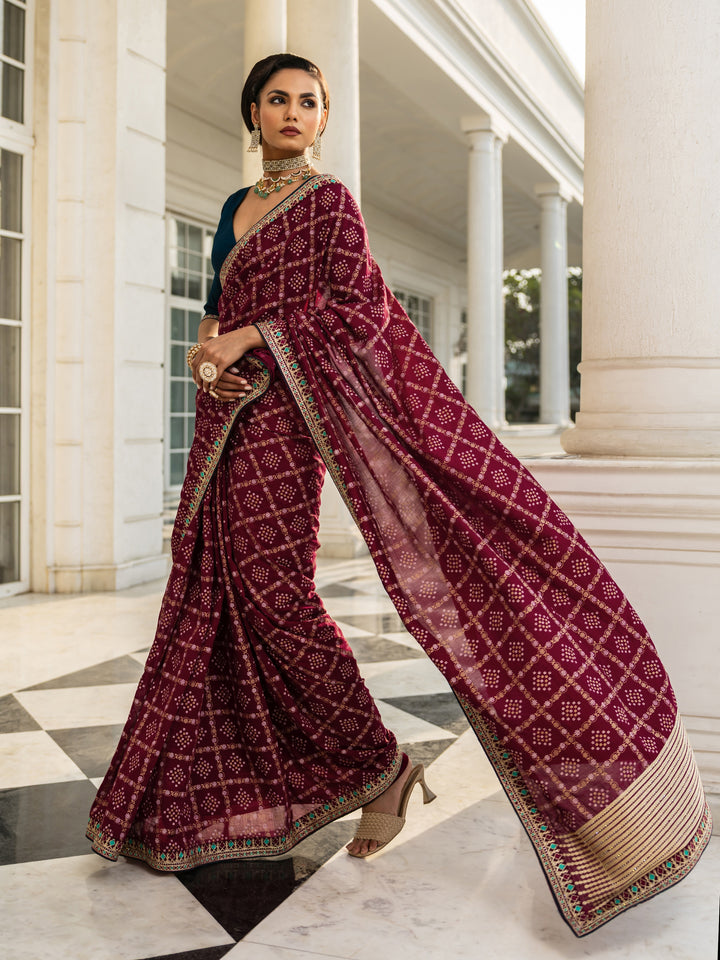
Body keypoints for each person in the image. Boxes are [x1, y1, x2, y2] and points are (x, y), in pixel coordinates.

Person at [86, 53, 711, 937]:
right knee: (214, 599)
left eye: (310, 101)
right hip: (225, 428)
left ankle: (380, 768)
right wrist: (213, 356)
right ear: (253, 114)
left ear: (323, 118)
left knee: (275, 594)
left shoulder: (329, 205)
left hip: (287, 427)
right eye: (278, 100)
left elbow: (354, 311)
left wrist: (254, 340)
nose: (294, 112)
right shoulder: (234, 210)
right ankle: (212, 797)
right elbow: (217, 318)